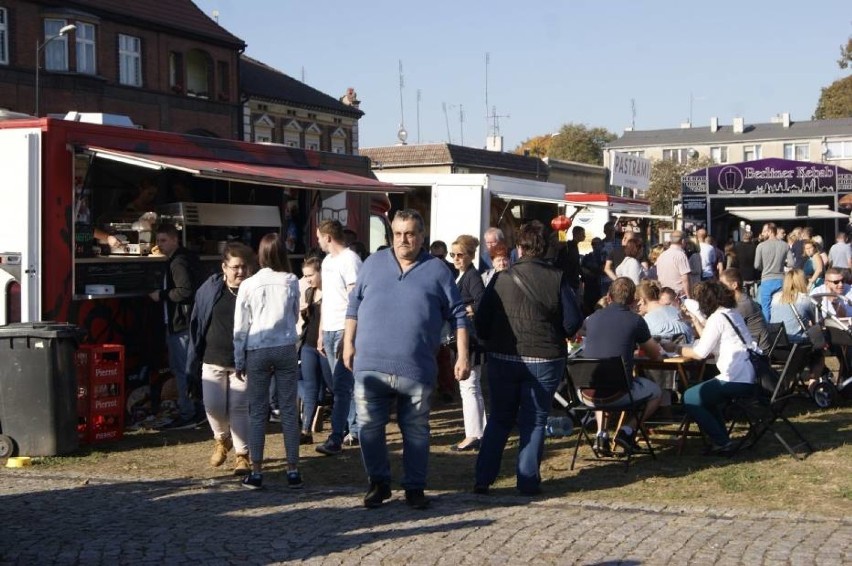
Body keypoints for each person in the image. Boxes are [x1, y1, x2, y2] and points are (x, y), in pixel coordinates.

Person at [343, 208, 470, 510]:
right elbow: (353, 306)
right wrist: (347, 343)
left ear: (422, 236)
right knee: (368, 428)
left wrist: (462, 355)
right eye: (398, 234)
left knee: (415, 430)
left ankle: (415, 487)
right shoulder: (372, 264)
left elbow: (459, 316)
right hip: (369, 365)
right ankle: (379, 483)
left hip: (416, 368)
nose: (403, 240)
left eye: (410, 234)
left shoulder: (438, 270)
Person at [473, 223, 583, 496]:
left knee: (499, 418)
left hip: (503, 355)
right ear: (545, 248)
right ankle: (527, 480)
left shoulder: (501, 278)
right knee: (533, 420)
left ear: (519, 249)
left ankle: (483, 479)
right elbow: (571, 323)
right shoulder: (557, 279)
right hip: (544, 356)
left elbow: (482, 320)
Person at [234, 233, 302, 490]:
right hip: (285, 346)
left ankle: (257, 470)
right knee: (288, 410)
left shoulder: (248, 284)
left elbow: (241, 327)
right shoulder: (291, 280)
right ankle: (293, 469)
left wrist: (239, 359)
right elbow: (295, 315)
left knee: (257, 411)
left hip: (258, 348)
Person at [186, 242, 254, 475]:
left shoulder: (252, 291)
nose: (240, 272)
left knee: (239, 408)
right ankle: (221, 439)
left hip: (241, 362)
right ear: (224, 267)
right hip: (212, 358)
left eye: (244, 267)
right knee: (213, 406)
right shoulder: (210, 290)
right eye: (235, 267)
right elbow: (197, 321)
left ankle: (242, 456)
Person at [582, 277, 664, 455]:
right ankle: (627, 431)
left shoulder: (591, 319)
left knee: (602, 379)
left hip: (586, 393)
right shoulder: (635, 321)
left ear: (609, 297)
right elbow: (655, 354)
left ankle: (601, 433)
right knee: (656, 393)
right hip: (618, 392)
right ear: (633, 300)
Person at [678, 281, 755, 455]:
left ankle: (721, 440)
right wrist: (696, 321)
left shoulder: (717, 318)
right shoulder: (731, 314)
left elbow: (700, 353)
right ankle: (721, 438)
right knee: (705, 397)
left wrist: (675, 348)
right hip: (747, 374)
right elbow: (709, 338)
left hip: (735, 378)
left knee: (690, 396)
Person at [315, 219, 363, 456]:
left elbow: (354, 298)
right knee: (340, 386)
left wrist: (350, 335)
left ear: (328, 237)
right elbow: (327, 298)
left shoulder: (350, 260)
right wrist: (321, 331)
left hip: (345, 329)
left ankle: (343, 434)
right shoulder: (326, 262)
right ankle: (349, 430)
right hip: (331, 328)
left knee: (344, 386)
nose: (318, 241)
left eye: (319, 237)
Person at [149, 224, 203, 429]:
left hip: (181, 322)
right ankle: (197, 410)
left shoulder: (177, 261)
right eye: (158, 241)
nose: (159, 245)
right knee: (190, 368)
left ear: (175, 239)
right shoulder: (185, 257)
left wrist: (160, 295)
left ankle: (188, 412)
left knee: (182, 370)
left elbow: (185, 291)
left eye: (163, 240)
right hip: (187, 321)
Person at [450, 235, 486, 452]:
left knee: (469, 387)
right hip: (469, 337)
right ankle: (480, 431)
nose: (455, 258)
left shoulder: (472, 276)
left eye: (459, 254)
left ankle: (473, 434)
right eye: (452, 254)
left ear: (470, 255)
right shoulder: (464, 274)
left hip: (471, 339)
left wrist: (467, 311)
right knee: (473, 387)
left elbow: (482, 300)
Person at [297, 257, 333, 445]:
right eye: (305, 275)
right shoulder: (309, 292)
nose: (307, 279)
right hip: (309, 346)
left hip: (325, 346)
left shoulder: (332, 293)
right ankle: (305, 430)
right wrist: (302, 311)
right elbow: (307, 321)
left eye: (310, 275)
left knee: (334, 386)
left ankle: (342, 426)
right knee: (310, 387)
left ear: (320, 272)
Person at [719, 268, 770, 352]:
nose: (720, 289)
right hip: (751, 346)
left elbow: (725, 328)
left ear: (734, 285)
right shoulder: (741, 300)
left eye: (722, 285)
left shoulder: (743, 304)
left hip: (757, 352)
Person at [755, 222, 790, 317]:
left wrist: (765, 267)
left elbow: (757, 265)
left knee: (765, 307)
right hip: (781, 279)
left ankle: (769, 328)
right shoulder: (785, 245)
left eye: (764, 231)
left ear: (770, 231)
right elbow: (792, 263)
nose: (762, 234)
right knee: (782, 305)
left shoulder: (761, 246)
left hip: (766, 279)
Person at [655, 230, 691, 299]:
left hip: (664, 294)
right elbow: (685, 278)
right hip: (678, 295)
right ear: (683, 241)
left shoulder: (662, 255)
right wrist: (688, 296)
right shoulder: (681, 255)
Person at [733, 231, 758, 298]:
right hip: (752, 274)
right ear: (751, 238)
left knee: (743, 295)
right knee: (753, 295)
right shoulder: (755, 247)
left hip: (741, 274)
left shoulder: (737, 246)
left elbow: (735, 261)